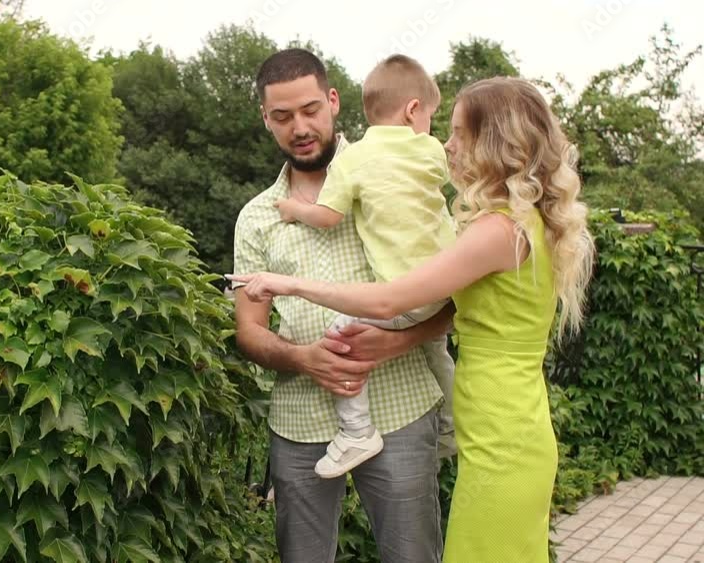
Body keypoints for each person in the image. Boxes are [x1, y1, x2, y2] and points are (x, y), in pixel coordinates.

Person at [230, 76, 596, 563]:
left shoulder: (497, 230)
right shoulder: (514, 221)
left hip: (502, 434)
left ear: (493, 141)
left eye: (459, 132)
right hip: (506, 424)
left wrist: (288, 284)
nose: (447, 144)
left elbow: (391, 301)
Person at [231, 48, 452, 563]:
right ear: (266, 119)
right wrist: (303, 358)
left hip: (400, 407)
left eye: (310, 109)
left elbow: (454, 297)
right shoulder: (256, 217)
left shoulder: (399, 176)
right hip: (299, 418)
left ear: (333, 101)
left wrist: (399, 340)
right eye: (283, 116)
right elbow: (249, 330)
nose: (300, 127)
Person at [272, 54, 458, 479]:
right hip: (445, 286)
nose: (429, 125)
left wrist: (293, 209)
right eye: (429, 116)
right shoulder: (431, 150)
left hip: (403, 298)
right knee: (438, 351)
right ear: (413, 109)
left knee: (341, 330)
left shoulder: (352, 162)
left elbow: (327, 217)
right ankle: (452, 427)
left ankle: (356, 431)